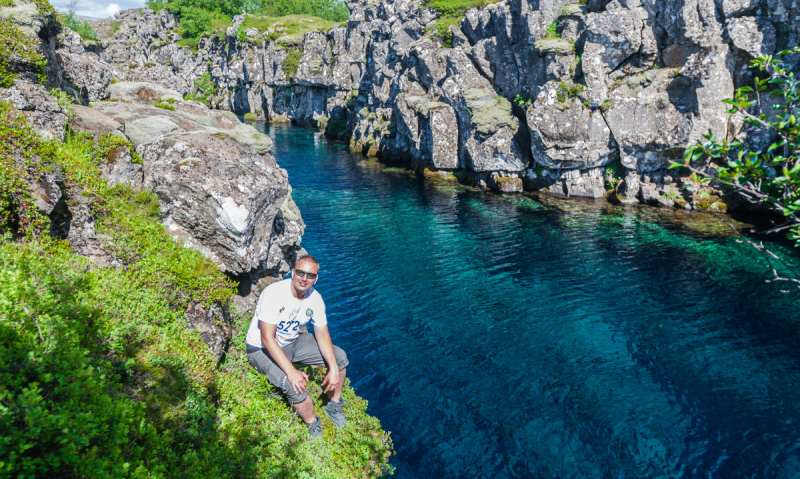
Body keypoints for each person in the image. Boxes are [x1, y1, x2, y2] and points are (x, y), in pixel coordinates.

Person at [245, 255, 349, 438]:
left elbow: (323, 335)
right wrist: (291, 371)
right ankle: (312, 424)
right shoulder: (274, 293)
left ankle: (334, 405)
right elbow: (267, 338)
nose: (304, 278)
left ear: (316, 279)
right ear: (292, 273)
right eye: (300, 272)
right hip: (261, 349)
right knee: (294, 385)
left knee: (339, 358)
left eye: (310, 275)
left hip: (292, 341)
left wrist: (333, 367)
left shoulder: (315, 299)